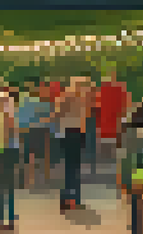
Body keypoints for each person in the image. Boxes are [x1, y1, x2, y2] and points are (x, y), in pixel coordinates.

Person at [0, 84, 21, 233]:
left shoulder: (4, 112)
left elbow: (9, 126)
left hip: (2, 150)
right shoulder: (5, 112)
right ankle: (8, 220)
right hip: (4, 149)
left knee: (0, 187)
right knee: (8, 186)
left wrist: (6, 143)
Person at [55, 77, 90, 211]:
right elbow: (59, 113)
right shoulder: (76, 98)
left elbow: (58, 113)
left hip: (71, 132)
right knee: (73, 167)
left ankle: (70, 198)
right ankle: (72, 199)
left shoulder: (72, 97)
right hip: (74, 132)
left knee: (71, 167)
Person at [16, 80, 53, 189]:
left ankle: (28, 180)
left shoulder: (22, 101)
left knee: (28, 155)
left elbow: (18, 116)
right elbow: (48, 117)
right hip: (38, 130)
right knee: (40, 155)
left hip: (27, 129)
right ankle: (41, 178)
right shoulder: (41, 102)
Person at [95, 73, 131, 165]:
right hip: (114, 121)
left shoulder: (102, 90)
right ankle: (116, 155)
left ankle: (107, 157)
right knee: (117, 134)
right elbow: (125, 105)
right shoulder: (120, 89)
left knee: (107, 140)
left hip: (105, 122)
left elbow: (97, 106)